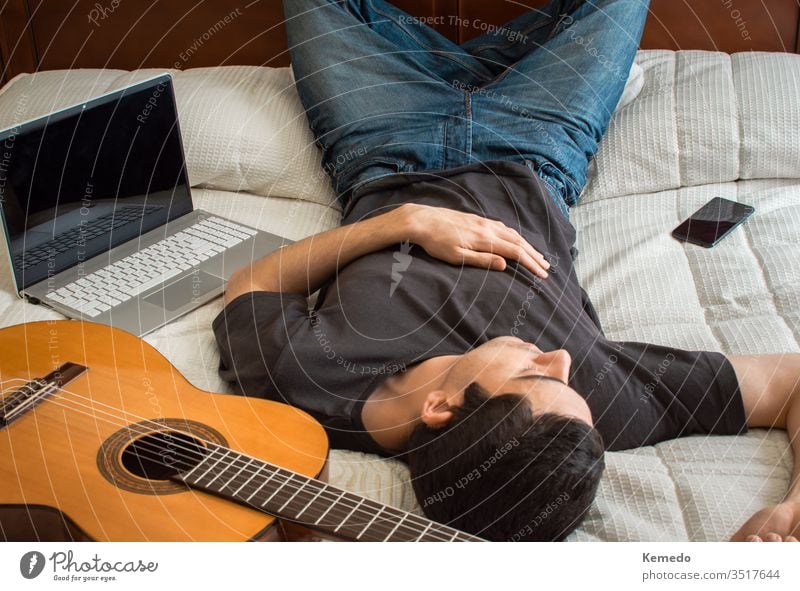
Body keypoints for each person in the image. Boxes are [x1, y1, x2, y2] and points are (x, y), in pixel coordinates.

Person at [213, 0, 799, 542]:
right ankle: (488, 59)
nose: (563, 361)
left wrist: (404, 223)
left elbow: (251, 285)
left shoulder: (307, 384)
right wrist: (792, 508)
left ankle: (470, 59)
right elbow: (792, 383)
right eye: (565, 380)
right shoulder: (595, 407)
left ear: (439, 408)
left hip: (381, 149)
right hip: (534, 146)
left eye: (535, 375)